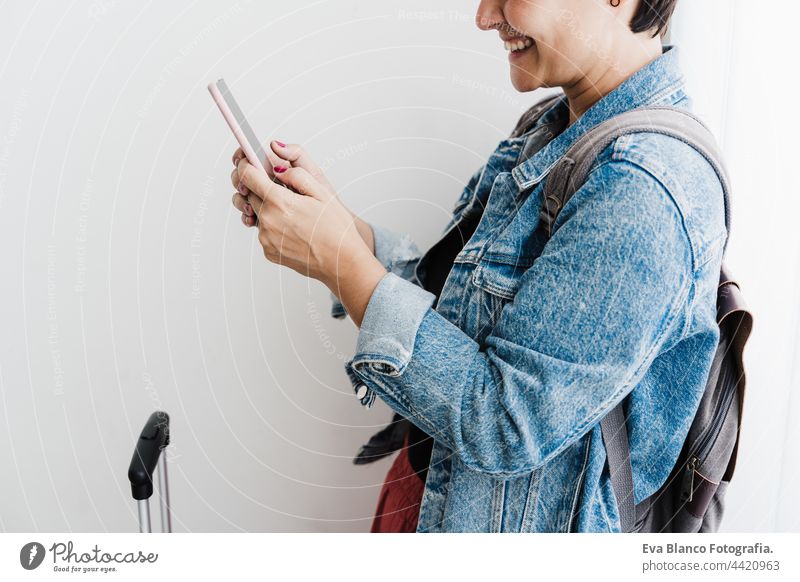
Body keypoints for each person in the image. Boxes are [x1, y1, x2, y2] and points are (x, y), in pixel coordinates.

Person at [229, 0, 727, 532]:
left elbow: (505, 423)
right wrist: (340, 228)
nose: (485, 17)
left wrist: (339, 263)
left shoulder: (642, 190)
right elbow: (456, 316)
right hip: (428, 500)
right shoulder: (553, 125)